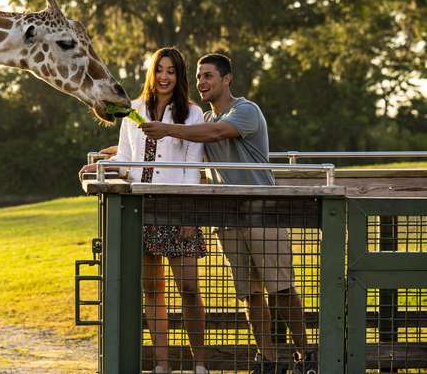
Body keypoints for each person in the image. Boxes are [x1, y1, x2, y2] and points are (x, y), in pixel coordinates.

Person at [140, 53, 315, 374]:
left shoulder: (245, 111)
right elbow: (166, 147)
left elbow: (216, 134)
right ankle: (269, 360)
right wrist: (109, 156)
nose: (201, 83)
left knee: (282, 289)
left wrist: (166, 128)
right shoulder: (202, 120)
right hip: (228, 218)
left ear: (226, 79)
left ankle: (308, 356)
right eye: (198, 77)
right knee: (249, 294)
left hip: (263, 212)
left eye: (208, 76)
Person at [81, 47, 208, 374]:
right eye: (160, 70)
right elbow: (126, 157)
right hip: (141, 209)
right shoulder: (133, 110)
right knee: (153, 290)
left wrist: (190, 217)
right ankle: (163, 364)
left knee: (190, 289)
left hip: (178, 210)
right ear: (151, 72)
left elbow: (192, 167)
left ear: (179, 77)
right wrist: (102, 167)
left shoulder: (191, 114)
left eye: (172, 71)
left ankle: (200, 364)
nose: (164, 77)